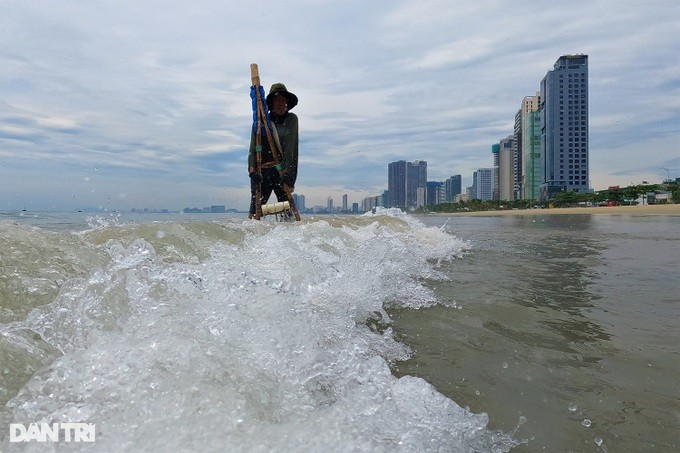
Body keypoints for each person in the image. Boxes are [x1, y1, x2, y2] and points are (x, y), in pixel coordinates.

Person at [248, 83, 299, 218]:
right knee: (255, 212)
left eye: (283, 100)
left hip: (281, 170)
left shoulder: (291, 120)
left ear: (287, 102)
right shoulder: (263, 121)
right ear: (271, 103)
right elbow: (253, 146)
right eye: (277, 100)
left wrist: (288, 174)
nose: (280, 103)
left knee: (287, 210)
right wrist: (252, 171)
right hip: (262, 170)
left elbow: (290, 148)